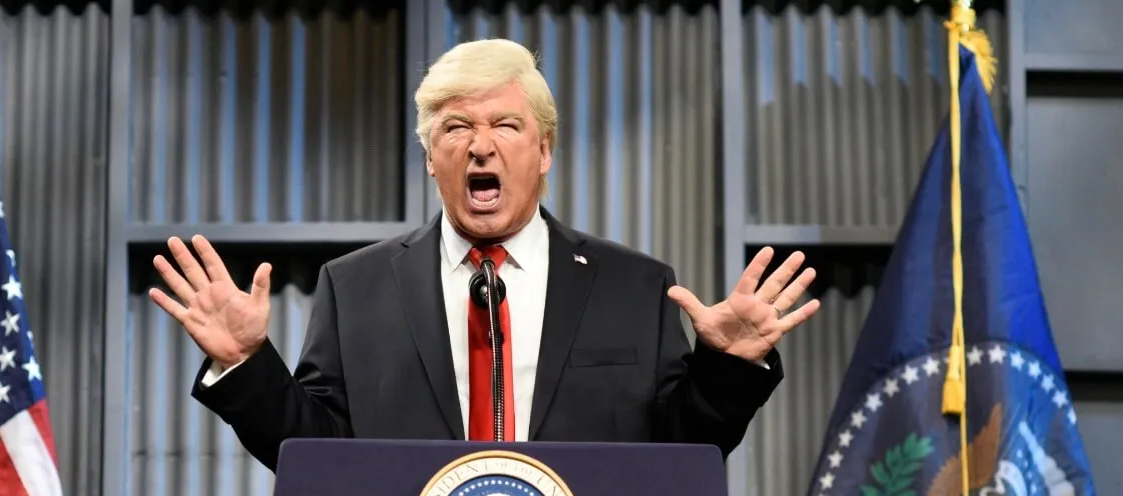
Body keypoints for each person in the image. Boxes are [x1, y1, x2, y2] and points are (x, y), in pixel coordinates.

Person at [147, 38, 821, 472]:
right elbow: (313, 457)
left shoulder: (633, 287)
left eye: (505, 124)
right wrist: (245, 364)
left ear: (544, 150)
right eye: (455, 128)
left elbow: (680, 455)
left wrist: (729, 368)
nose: (479, 145)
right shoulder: (356, 288)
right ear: (430, 157)